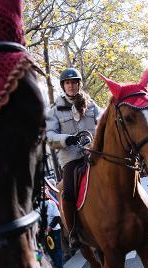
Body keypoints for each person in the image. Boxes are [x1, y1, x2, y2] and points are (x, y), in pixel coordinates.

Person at [46, 67, 102, 245]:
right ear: (63, 86)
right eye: (67, 83)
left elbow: (103, 123)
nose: (71, 85)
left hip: (95, 153)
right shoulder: (54, 110)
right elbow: (48, 137)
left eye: (74, 82)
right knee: (68, 192)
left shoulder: (91, 105)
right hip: (71, 159)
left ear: (79, 84)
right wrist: (67, 139)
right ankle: (73, 232)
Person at [43, 199, 64, 268]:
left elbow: (57, 217)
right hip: (44, 232)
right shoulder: (37, 204)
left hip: (54, 230)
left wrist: (50, 227)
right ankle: (56, 265)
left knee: (57, 249)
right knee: (50, 250)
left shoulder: (51, 203)